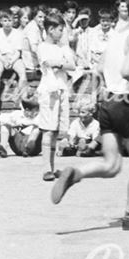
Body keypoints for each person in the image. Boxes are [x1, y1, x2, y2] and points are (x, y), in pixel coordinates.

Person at [50, 0, 129, 230]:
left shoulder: (116, 35)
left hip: (108, 103)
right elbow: (128, 70)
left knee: (111, 165)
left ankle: (75, 173)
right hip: (126, 104)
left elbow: (99, 68)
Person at [36, 16, 74, 179]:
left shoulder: (64, 47)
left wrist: (60, 63)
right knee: (48, 130)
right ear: (50, 30)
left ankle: (52, 167)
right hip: (49, 91)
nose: (62, 33)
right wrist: (61, 63)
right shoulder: (42, 47)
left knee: (58, 130)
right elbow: (48, 62)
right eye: (60, 30)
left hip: (62, 89)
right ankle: (46, 169)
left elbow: (72, 65)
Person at [0, 9, 26, 114]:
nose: (7, 23)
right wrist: (4, 60)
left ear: (13, 21)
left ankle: (19, 99)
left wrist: (12, 60)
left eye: (9, 20)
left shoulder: (18, 33)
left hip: (14, 58)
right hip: (1, 57)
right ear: (1, 22)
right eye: (5, 20)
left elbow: (18, 52)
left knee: (22, 73)